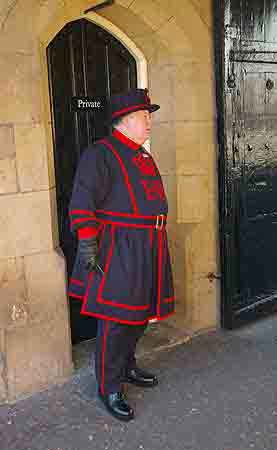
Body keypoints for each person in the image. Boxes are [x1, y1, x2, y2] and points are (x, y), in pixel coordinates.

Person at [68, 88, 175, 421]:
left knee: (141, 314)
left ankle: (126, 365)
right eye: (145, 117)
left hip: (151, 245)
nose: (150, 122)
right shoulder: (99, 154)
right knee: (116, 321)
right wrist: (88, 244)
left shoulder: (143, 154)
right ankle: (108, 386)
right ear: (125, 121)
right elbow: (82, 201)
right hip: (119, 249)